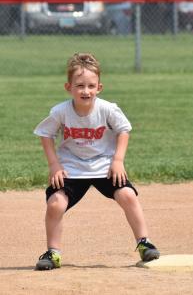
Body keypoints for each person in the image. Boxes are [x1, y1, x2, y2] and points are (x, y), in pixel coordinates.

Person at [34, 52, 159, 270]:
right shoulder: (61, 111)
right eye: (80, 85)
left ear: (99, 87)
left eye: (91, 86)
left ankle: (144, 243)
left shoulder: (107, 109)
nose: (86, 91)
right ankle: (53, 253)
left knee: (127, 195)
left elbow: (124, 129)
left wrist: (118, 160)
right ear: (68, 87)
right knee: (55, 204)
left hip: (104, 165)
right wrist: (54, 164)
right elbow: (45, 133)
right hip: (72, 168)